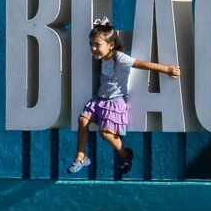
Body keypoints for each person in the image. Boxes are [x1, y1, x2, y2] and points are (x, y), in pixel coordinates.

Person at [68, 20, 179, 178]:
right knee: (82, 120)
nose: (93, 48)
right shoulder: (103, 57)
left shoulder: (120, 58)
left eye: (97, 44)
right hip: (99, 99)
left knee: (106, 134)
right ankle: (80, 157)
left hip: (115, 102)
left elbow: (142, 64)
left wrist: (167, 69)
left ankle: (125, 154)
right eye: (91, 44)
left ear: (111, 45)